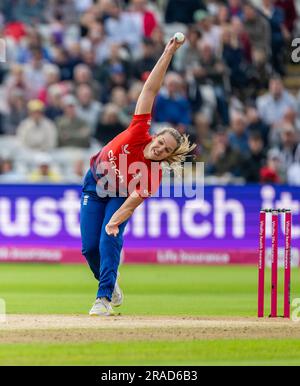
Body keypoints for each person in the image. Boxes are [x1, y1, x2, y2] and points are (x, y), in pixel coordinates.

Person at [80, 36, 195, 316]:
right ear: (154, 136)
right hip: (95, 185)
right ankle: (111, 282)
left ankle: (103, 298)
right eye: (159, 142)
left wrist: (115, 223)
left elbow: (131, 202)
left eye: (165, 150)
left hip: (119, 198)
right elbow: (150, 90)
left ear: (168, 156)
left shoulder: (153, 175)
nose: (158, 149)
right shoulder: (139, 130)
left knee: (109, 239)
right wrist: (168, 53)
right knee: (88, 249)